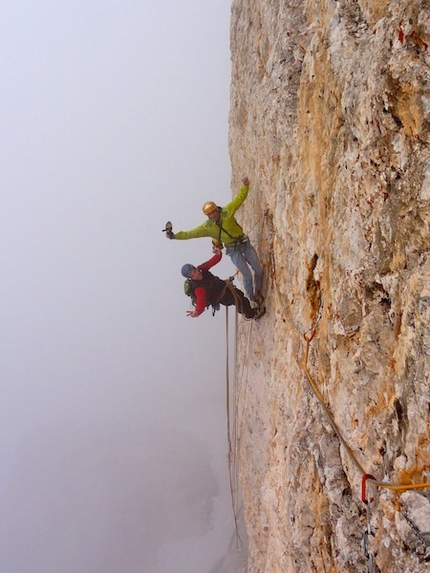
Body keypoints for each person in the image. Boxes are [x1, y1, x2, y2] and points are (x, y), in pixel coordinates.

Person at [169, 176, 263, 304]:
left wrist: (245, 186)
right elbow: (190, 234)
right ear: (207, 216)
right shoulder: (207, 227)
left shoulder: (226, 212)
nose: (213, 215)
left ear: (216, 209)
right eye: (210, 214)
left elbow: (238, 200)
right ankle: (252, 298)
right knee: (246, 274)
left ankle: (258, 290)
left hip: (243, 243)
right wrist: (175, 236)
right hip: (232, 249)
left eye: (214, 212)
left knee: (258, 269)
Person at [181, 249, 265, 320]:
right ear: (190, 278)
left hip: (224, 287)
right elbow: (200, 303)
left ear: (196, 268)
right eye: (192, 275)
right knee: (240, 300)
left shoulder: (201, 269)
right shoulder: (198, 288)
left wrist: (218, 254)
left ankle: (249, 311)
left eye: (195, 271)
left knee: (240, 296)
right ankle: (251, 314)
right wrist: (197, 312)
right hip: (222, 296)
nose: (196, 275)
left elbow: (212, 262)